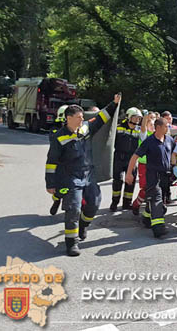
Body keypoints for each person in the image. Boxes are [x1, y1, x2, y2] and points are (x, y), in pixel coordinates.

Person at [45, 94, 121, 256]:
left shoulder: (86, 128)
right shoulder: (59, 138)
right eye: (79, 117)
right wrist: (50, 184)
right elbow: (51, 162)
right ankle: (71, 243)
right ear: (69, 118)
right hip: (71, 178)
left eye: (82, 117)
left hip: (89, 175)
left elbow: (101, 118)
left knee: (94, 203)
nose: (82, 119)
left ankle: (84, 225)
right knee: (74, 208)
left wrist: (114, 103)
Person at [126, 118, 175, 238]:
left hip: (165, 176)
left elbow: (175, 154)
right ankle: (158, 228)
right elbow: (134, 157)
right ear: (158, 127)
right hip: (153, 175)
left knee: (160, 203)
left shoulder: (169, 140)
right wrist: (129, 173)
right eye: (166, 126)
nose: (168, 129)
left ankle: (147, 218)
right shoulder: (149, 141)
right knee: (157, 199)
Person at [110, 107, 143, 212]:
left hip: (131, 159)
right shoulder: (119, 128)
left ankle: (127, 203)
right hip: (119, 157)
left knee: (130, 182)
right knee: (117, 181)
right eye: (135, 117)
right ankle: (114, 202)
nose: (137, 120)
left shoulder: (138, 130)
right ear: (128, 117)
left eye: (139, 118)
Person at [131, 112, 156, 216]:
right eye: (150, 124)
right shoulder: (144, 135)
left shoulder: (158, 136)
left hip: (154, 165)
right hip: (144, 165)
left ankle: (149, 208)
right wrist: (146, 115)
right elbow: (143, 127)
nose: (152, 127)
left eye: (154, 125)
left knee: (154, 188)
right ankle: (136, 204)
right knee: (145, 188)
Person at [48, 105, 69, 216]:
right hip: (60, 164)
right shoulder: (55, 131)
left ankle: (70, 210)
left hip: (73, 164)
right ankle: (57, 200)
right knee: (61, 189)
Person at [160, 111, 175, 204]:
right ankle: (164, 197)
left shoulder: (175, 128)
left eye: (170, 118)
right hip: (163, 157)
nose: (169, 120)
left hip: (172, 156)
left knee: (170, 178)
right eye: (167, 118)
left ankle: (168, 195)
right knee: (164, 179)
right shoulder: (160, 129)